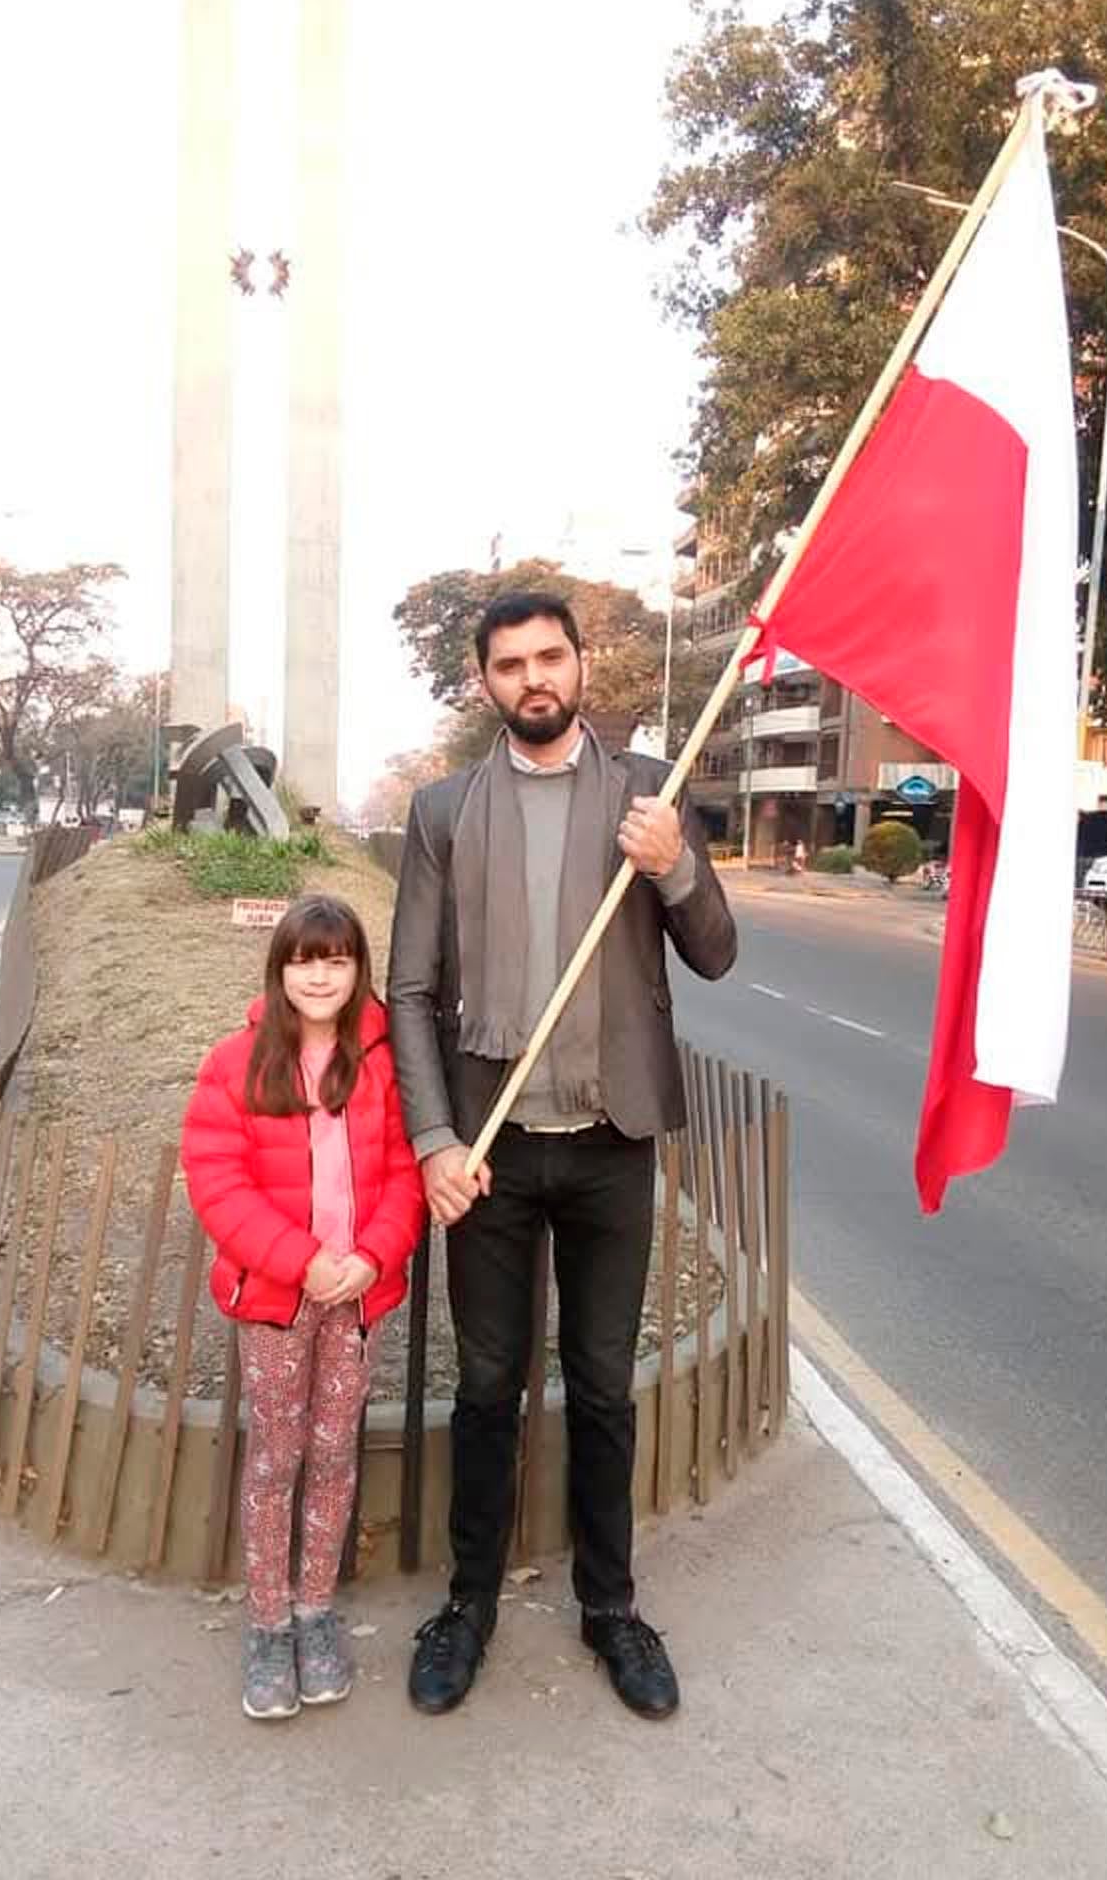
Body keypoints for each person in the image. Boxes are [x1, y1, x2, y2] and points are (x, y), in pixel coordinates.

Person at [388, 591, 737, 1722]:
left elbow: (717, 955)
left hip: (607, 1147)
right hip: (489, 1154)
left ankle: (612, 1609)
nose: (533, 679)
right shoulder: (445, 811)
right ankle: (470, 1604)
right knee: (486, 1388)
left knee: (600, 1388)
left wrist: (676, 866)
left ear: (582, 666)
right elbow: (411, 990)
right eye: (509, 664)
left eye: (550, 658)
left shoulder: (648, 794)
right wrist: (436, 1140)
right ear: (485, 684)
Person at [181, 895, 425, 1722]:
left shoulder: (384, 1063)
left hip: (357, 1299)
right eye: (303, 959)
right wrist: (304, 1261)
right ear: (280, 969)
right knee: (275, 1456)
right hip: (279, 1302)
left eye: (337, 958)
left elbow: (403, 1174)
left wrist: (370, 1257)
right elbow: (219, 1183)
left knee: (333, 1452)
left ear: (359, 970)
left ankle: (316, 1610)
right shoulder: (236, 1062)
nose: (319, 975)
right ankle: (267, 1621)